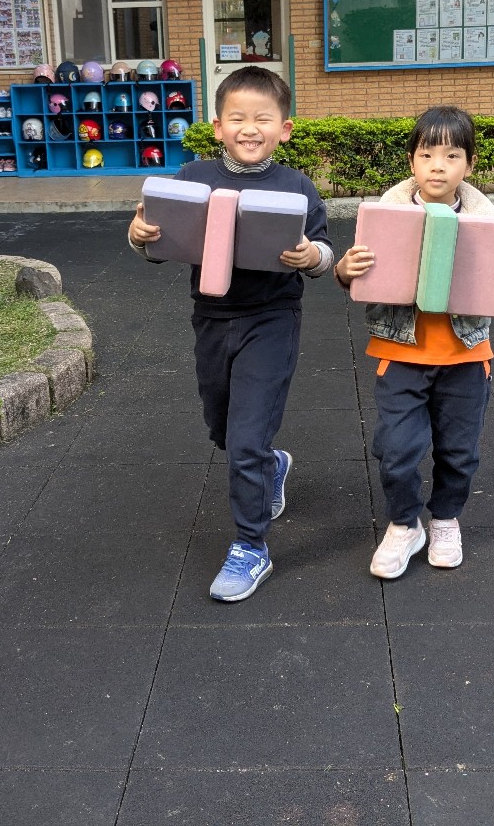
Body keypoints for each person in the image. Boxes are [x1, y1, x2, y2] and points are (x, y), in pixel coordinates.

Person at [127, 66, 333, 602]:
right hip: (213, 319)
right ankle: (272, 464)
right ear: (218, 126)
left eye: (263, 118)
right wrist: (139, 235)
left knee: (245, 441)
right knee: (222, 430)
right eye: (237, 118)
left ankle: (250, 546)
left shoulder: (296, 186)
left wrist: (311, 256)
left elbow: (324, 253)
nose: (250, 128)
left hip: (272, 319)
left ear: (284, 128)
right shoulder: (191, 178)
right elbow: (156, 244)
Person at [334, 105, 494, 578]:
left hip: (466, 354)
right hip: (401, 352)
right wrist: (345, 269)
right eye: (426, 155)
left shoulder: (488, 222)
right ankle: (405, 524)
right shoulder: (387, 216)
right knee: (396, 450)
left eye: (452, 155)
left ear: (470, 164)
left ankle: (444, 520)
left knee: (459, 451)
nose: (437, 166)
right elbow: (357, 275)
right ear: (411, 161)